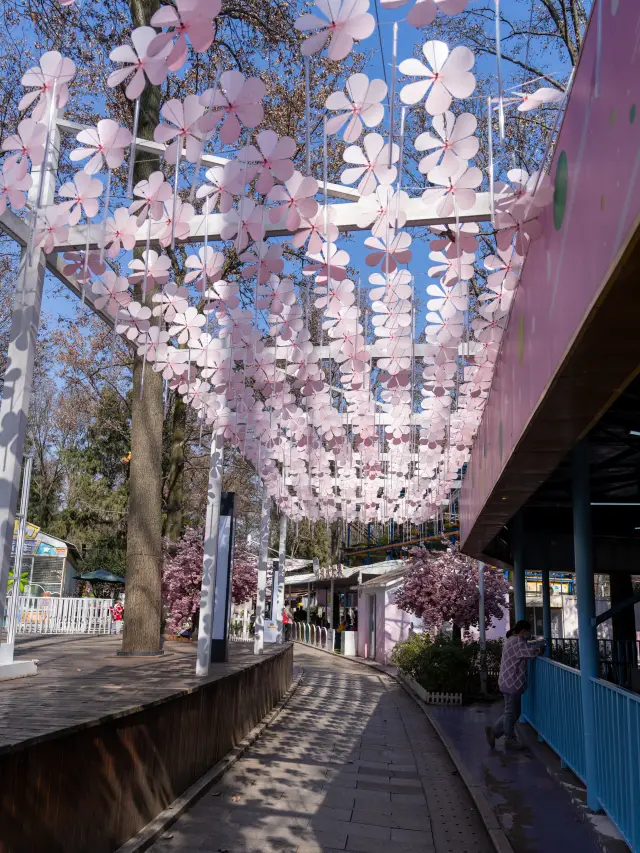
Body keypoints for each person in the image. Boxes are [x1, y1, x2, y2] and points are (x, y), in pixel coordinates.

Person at [486, 620, 545, 751]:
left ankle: (494, 731)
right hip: (511, 682)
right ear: (523, 631)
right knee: (510, 712)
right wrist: (541, 647)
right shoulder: (518, 641)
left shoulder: (511, 640)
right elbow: (530, 653)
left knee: (514, 712)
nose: (529, 634)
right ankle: (509, 739)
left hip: (507, 681)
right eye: (528, 631)